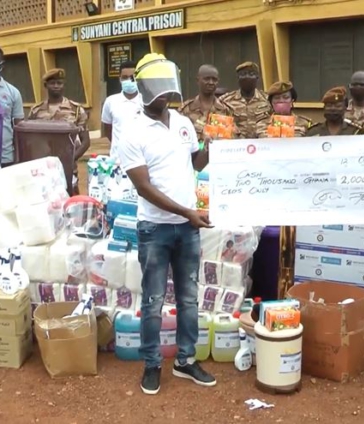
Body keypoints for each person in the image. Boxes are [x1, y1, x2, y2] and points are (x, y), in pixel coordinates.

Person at [118, 53, 216, 395]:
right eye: (156, 86)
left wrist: (210, 146)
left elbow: (195, 163)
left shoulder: (183, 122)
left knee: (189, 299)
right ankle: (152, 364)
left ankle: (185, 360)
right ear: (145, 88)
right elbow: (144, 188)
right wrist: (187, 212)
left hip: (188, 228)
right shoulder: (132, 132)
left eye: (166, 85)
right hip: (155, 228)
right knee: (153, 301)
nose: (164, 92)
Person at [27, 68, 90, 194]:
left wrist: (71, 159)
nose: (56, 86)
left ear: (63, 85)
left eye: (59, 83)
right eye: (52, 83)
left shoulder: (76, 109)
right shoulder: (36, 110)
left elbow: (86, 142)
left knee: (70, 198)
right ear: (46, 85)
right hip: (42, 166)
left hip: (68, 167)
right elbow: (29, 140)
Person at [179, 64, 233, 140]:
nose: (211, 82)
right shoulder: (186, 109)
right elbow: (180, 136)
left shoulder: (225, 110)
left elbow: (231, 139)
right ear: (198, 80)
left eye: (214, 79)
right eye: (206, 79)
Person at [102, 60, 144, 159]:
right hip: (118, 159)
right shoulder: (110, 101)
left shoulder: (146, 101)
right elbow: (107, 128)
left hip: (142, 158)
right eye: (125, 77)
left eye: (132, 77)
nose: (129, 81)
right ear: (120, 79)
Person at [220, 61, 271, 139]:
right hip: (235, 143)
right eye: (243, 74)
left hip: (262, 143)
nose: (247, 77)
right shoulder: (226, 100)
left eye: (251, 74)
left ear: (257, 77)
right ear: (238, 78)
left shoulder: (268, 99)